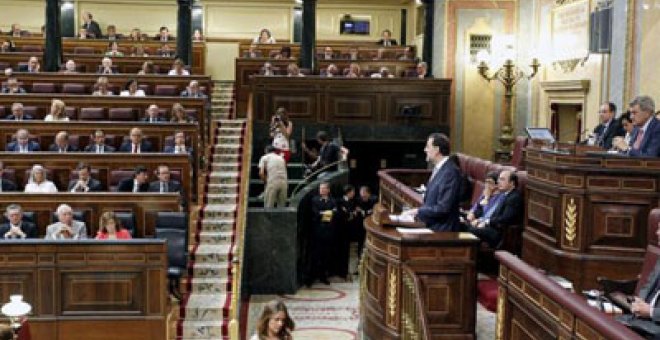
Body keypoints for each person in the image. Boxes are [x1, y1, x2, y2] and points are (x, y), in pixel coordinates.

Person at [404, 133, 462, 232]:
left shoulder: (450, 172)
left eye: (427, 147)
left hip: (443, 231)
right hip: (431, 226)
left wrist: (417, 211)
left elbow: (443, 208)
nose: (425, 150)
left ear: (437, 150)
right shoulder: (439, 169)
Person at [616, 222, 660, 336]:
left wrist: (650, 312)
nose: (657, 233)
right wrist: (639, 302)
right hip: (641, 320)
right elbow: (648, 284)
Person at [468, 170, 523, 248]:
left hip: (498, 232)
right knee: (465, 225)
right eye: (499, 179)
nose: (499, 182)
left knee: (470, 230)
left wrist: (486, 222)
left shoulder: (514, 197)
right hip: (491, 227)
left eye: (502, 179)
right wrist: (481, 220)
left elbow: (505, 219)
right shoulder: (504, 194)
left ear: (512, 183)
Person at [307, 182, 336, 286]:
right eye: (321, 188)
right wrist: (326, 213)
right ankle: (311, 277)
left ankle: (323, 276)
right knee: (315, 255)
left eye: (324, 188)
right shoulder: (315, 200)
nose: (322, 190)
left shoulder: (332, 200)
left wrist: (324, 213)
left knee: (325, 255)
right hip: (317, 231)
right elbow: (315, 213)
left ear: (328, 190)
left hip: (328, 231)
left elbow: (334, 212)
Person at [334, 184, 357, 278]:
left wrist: (350, 213)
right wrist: (348, 213)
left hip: (348, 230)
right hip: (340, 230)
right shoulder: (339, 201)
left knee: (346, 251)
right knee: (339, 251)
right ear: (348, 192)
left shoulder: (352, 202)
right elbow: (340, 214)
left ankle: (344, 272)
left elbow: (352, 213)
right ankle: (338, 271)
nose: (353, 194)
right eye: (352, 192)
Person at [354, 186, 376, 260]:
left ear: (368, 193)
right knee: (360, 241)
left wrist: (367, 211)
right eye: (361, 193)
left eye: (364, 193)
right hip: (360, 224)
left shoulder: (374, 199)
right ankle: (359, 258)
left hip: (371, 224)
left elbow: (374, 209)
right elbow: (357, 208)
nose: (362, 195)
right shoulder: (357, 200)